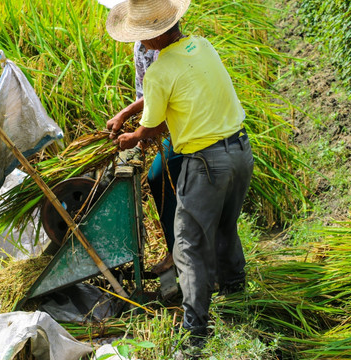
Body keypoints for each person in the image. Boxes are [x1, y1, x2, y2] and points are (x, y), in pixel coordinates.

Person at [105, 0, 254, 351]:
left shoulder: (158, 72)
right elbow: (177, 93)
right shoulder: (202, 45)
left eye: (143, 38)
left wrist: (130, 136)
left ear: (155, 37)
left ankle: (195, 337)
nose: (141, 45)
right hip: (240, 152)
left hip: (206, 165)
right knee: (224, 227)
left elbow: (151, 129)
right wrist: (131, 114)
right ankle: (237, 302)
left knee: (187, 247)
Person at [107, 40, 182, 275]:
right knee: (160, 181)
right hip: (160, 123)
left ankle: (180, 254)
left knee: (159, 178)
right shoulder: (140, 46)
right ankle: (179, 249)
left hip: (181, 124)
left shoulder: (167, 45)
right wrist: (139, 131)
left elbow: (161, 92)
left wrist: (130, 117)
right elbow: (145, 92)